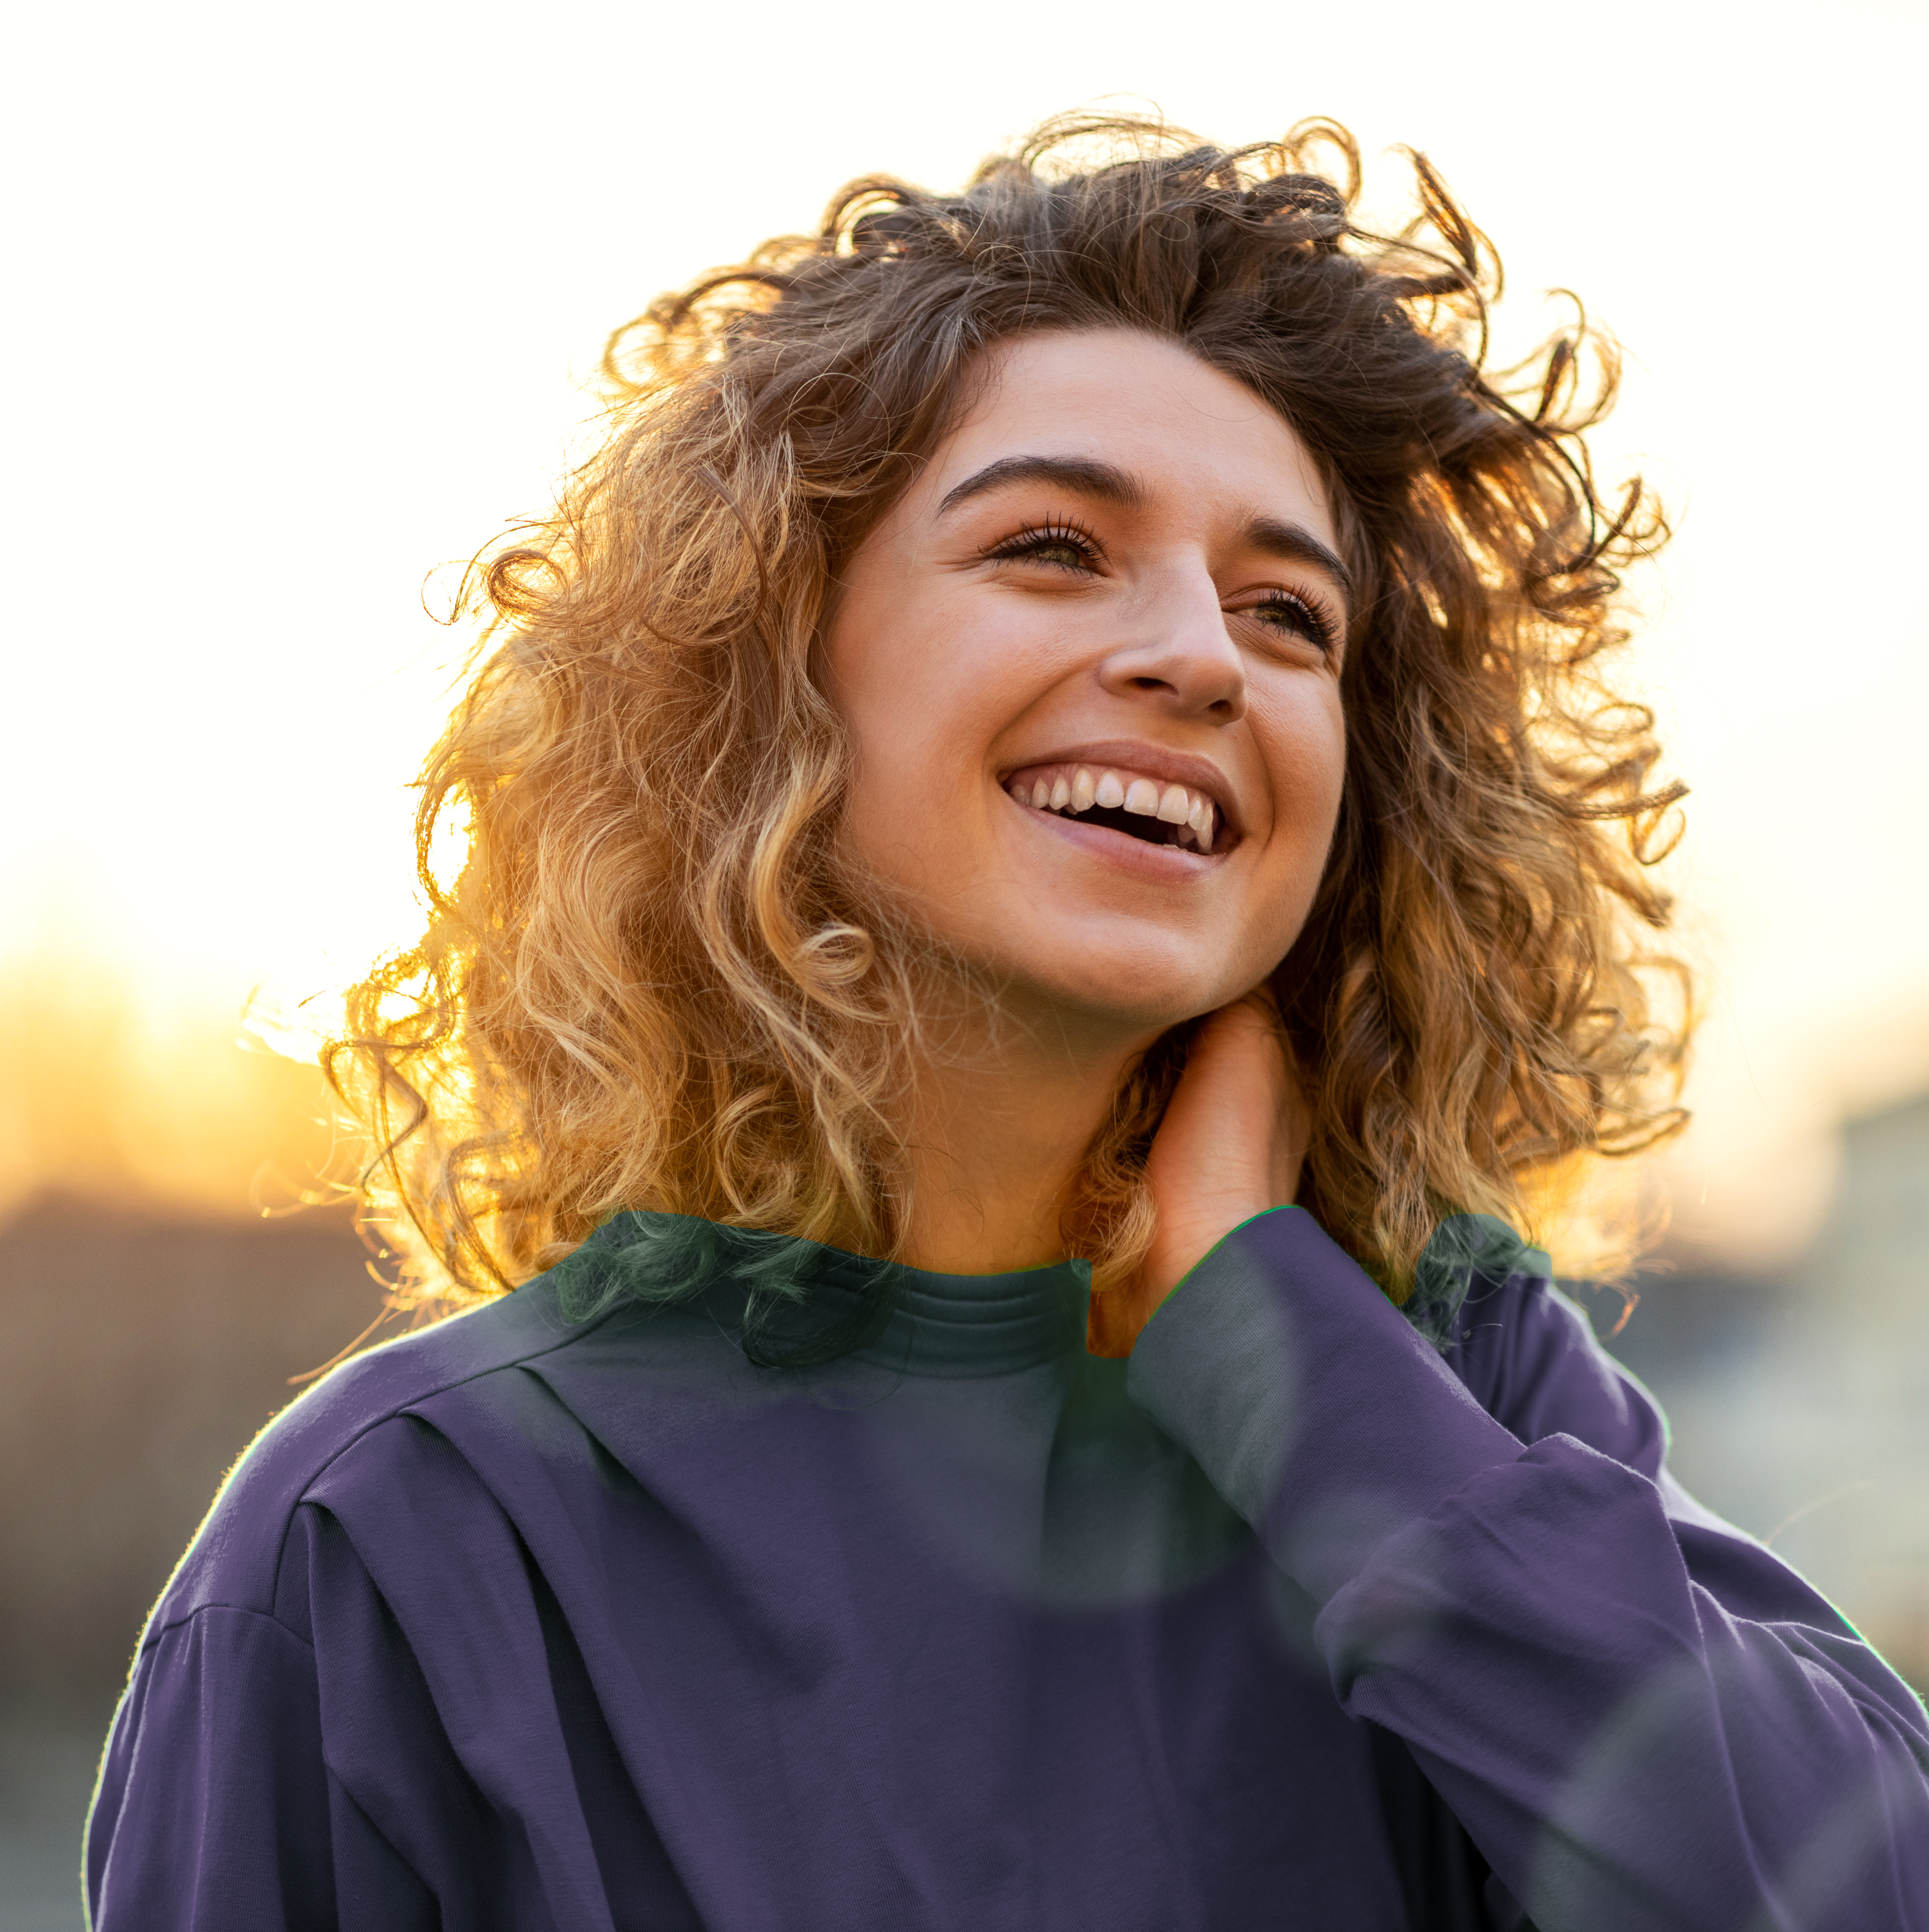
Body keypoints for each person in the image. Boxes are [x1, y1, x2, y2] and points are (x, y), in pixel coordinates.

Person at [86, 116, 1929, 1930]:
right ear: (763, 672)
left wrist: (1278, 1351)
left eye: (1288, 612)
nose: (1202, 653)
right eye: (1052, 546)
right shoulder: (392, 1539)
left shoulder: (1447, 1379)